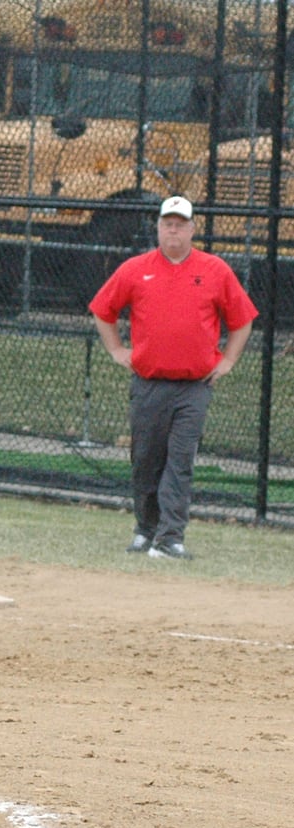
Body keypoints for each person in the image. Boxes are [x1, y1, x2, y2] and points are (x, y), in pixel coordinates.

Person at [89, 195, 256, 560]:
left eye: (181, 223)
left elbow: (243, 320)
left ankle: (170, 538)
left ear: (193, 229)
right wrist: (118, 351)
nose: (174, 229)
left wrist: (227, 360)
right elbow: (103, 310)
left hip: (194, 388)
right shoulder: (136, 269)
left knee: (180, 461)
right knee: (146, 460)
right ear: (159, 228)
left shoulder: (215, 270)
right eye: (168, 223)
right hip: (149, 384)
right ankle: (145, 530)